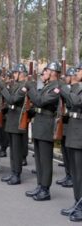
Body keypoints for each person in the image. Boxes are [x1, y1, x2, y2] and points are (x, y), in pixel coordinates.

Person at [23, 62, 61, 201]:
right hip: (39, 123)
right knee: (39, 159)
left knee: (45, 160)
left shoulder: (57, 88)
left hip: (46, 125)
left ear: (52, 72)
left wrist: (30, 87)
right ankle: (40, 185)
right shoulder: (47, 86)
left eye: (45, 71)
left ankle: (45, 189)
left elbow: (40, 101)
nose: (43, 74)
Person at [59, 64, 82, 221]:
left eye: (79, 70)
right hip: (74, 132)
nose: (77, 72)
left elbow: (76, 102)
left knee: (80, 173)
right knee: (76, 173)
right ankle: (78, 202)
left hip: (80, 134)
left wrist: (66, 89)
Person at [0, 64, 28, 185]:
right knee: (12, 150)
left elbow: (12, 99)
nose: (14, 75)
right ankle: (13, 172)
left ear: (21, 73)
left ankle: (17, 174)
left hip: (17, 121)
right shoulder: (16, 86)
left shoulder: (24, 87)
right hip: (11, 120)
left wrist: (2, 88)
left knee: (16, 150)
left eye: (16, 73)